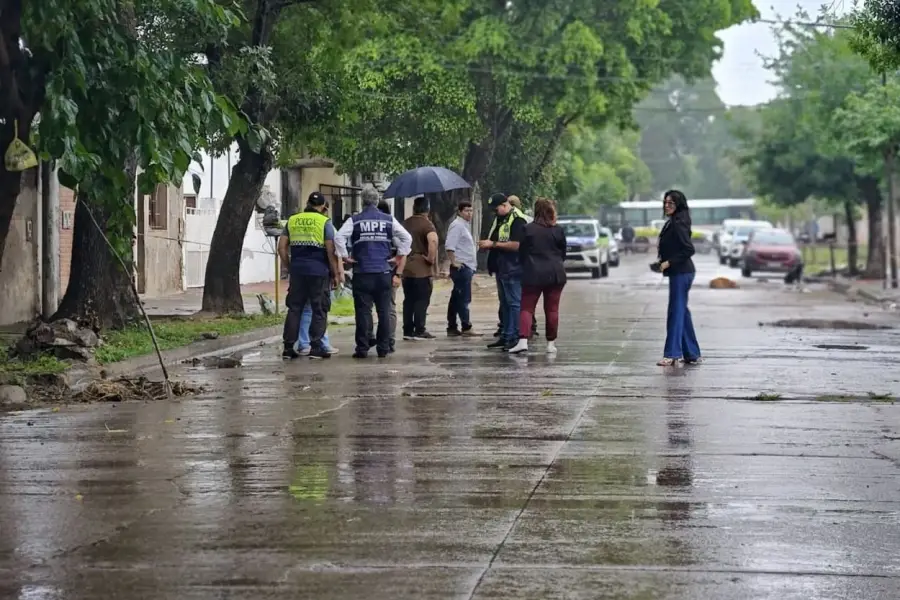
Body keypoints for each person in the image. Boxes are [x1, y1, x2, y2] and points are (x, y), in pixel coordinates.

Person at [334, 187, 411, 358]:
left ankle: (362, 348)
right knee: (384, 311)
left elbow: (338, 237)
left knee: (363, 312)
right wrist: (399, 256)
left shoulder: (355, 220)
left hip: (362, 272)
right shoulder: (389, 220)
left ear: (362, 201)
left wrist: (345, 256)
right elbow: (407, 238)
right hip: (383, 272)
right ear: (377, 201)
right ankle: (383, 348)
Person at [279, 192, 342, 360]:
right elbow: (330, 250)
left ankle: (287, 348)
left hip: (298, 271)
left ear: (307, 203)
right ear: (323, 207)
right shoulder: (324, 222)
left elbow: (282, 247)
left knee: (295, 308)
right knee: (319, 309)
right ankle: (316, 346)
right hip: (318, 271)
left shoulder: (293, 220)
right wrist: (335, 273)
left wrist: (289, 267)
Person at [508, 198, 566, 355]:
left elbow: (522, 252)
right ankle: (551, 344)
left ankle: (522, 341)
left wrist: (525, 265)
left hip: (533, 273)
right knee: (552, 309)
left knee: (527, 308)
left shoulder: (527, 229)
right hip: (556, 274)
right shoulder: (558, 231)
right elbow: (563, 254)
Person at [654, 189, 701, 366]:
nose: (667, 206)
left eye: (671, 203)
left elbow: (689, 249)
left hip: (682, 272)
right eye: (665, 203)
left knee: (675, 312)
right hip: (679, 272)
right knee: (682, 312)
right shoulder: (673, 221)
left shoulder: (679, 223)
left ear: (678, 205)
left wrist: (669, 262)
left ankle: (672, 353)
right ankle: (692, 353)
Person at [479, 193, 527, 351]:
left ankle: (514, 337)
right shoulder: (502, 218)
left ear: (505, 205)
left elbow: (516, 245)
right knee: (505, 303)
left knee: (514, 303)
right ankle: (506, 335)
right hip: (502, 267)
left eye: (496, 208)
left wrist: (492, 244)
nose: (494, 212)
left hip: (513, 267)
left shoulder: (517, 219)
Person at [401, 196, 438, 340]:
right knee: (422, 299)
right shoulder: (427, 224)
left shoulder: (405, 223)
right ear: (427, 209)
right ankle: (420, 329)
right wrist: (430, 258)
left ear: (414, 208)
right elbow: (433, 240)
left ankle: (408, 330)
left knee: (408, 299)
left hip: (406, 267)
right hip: (422, 268)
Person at [365, 200, 399, 352]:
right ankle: (388, 340)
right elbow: (404, 246)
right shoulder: (392, 227)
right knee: (388, 308)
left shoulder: (367, 225)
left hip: (368, 271)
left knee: (367, 308)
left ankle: (369, 337)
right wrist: (398, 270)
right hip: (388, 271)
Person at [445, 200, 480, 337]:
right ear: (459, 212)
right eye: (466, 210)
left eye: (471, 210)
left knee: (456, 298)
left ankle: (452, 327)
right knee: (464, 298)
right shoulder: (457, 226)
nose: (469, 213)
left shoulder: (464, 226)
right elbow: (449, 246)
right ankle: (466, 326)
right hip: (462, 267)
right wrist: (454, 262)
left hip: (467, 266)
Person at [508, 195, 538, 337]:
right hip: (526, 264)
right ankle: (528, 327)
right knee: (524, 299)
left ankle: (521, 330)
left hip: (518, 264)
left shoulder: (519, 220)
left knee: (518, 300)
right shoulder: (528, 221)